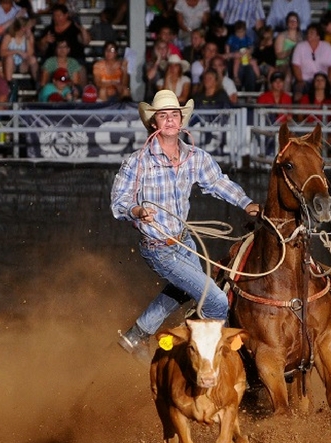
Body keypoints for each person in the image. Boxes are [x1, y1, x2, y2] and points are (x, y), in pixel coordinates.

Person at [111, 90, 260, 362]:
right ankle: (217, 362)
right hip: (158, 248)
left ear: (181, 121)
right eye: (163, 116)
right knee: (215, 300)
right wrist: (136, 210)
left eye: (174, 115)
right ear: (154, 123)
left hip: (184, 240)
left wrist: (245, 202)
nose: (169, 120)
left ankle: (136, 335)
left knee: (184, 289)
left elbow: (217, 182)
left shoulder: (195, 157)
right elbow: (119, 201)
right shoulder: (138, 161)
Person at [291, 23, 331, 100]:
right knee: (298, 91)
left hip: (323, 79)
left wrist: (328, 81)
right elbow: (295, 65)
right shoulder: (300, 46)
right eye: (308, 32)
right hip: (305, 80)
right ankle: (298, 111)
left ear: (318, 36)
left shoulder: (327, 46)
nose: (309, 34)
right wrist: (300, 80)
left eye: (312, 33)